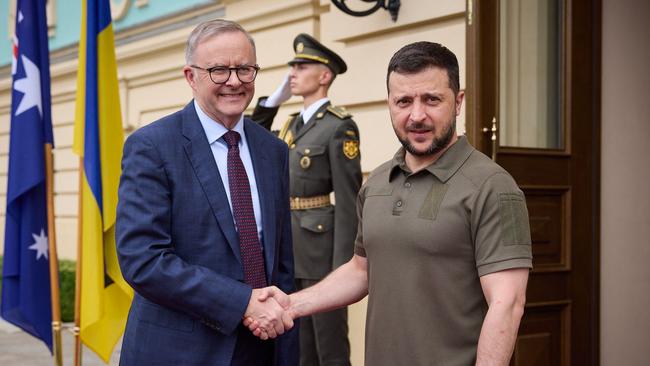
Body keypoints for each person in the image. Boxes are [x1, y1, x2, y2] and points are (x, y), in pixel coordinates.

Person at [247, 41, 533, 366]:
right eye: (404, 101)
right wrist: (291, 305)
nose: (417, 115)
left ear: (458, 102)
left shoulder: (492, 186)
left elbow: (507, 303)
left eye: (432, 99)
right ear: (390, 104)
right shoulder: (378, 183)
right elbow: (360, 270)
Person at [115, 19, 297, 366]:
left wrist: (285, 339)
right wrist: (242, 301)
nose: (234, 81)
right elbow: (143, 259)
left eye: (245, 69)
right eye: (218, 70)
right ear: (190, 76)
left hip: (263, 346)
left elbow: (282, 261)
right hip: (180, 352)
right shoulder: (152, 146)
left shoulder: (273, 150)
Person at [250, 33, 362, 366]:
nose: (292, 74)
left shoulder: (339, 127)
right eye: (292, 67)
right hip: (288, 246)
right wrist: (273, 101)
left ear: (324, 75)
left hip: (322, 246)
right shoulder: (290, 124)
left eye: (301, 66)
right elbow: (252, 134)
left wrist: (344, 264)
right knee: (295, 345)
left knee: (328, 343)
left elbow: (349, 198)